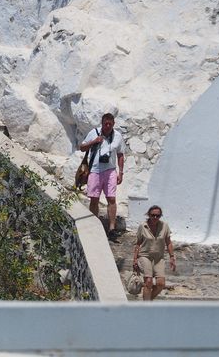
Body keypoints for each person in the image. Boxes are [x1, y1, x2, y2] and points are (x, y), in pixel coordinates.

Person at [79, 112, 125, 241]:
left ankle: (111, 229)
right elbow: (82, 147)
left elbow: (120, 155)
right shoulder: (94, 132)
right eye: (106, 123)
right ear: (102, 123)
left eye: (110, 124)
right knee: (94, 199)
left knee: (111, 198)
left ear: (114, 124)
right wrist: (94, 141)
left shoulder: (117, 136)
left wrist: (120, 172)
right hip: (95, 170)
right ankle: (94, 226)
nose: (108, 126)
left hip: (110, 170)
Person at [133, 205, 176, 300]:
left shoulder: (164, 226)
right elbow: (138, 244)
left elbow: (168, 242)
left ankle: (148, 301)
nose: (155, 217)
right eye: (153, 215)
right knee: (148, 281)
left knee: (161, 283)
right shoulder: (142, 226)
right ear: (149, 215)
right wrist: (135, 259)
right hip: (145, 256)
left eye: (158, 215)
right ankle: (147, 307)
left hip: (159, 258)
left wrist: (172, 257)